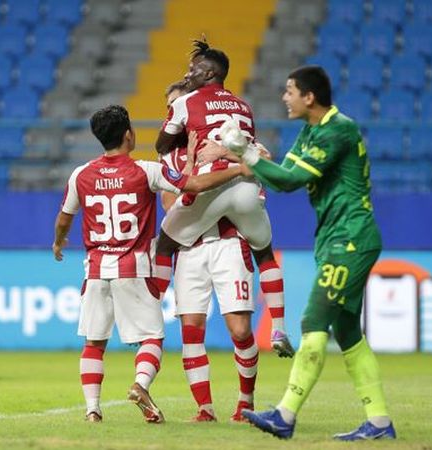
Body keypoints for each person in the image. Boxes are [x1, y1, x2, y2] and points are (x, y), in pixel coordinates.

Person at [223, 66, 396, 440]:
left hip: (350, 238)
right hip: (337, 237)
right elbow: (281, 176)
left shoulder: (338, 129)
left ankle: (285, 415)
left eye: (289, 91)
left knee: (312, 322)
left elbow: (289, 180)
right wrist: (249, 154)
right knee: (348, 332)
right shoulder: (310, 131)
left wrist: (245, 154)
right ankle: (379, 422)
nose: (284, 98)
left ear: (309, 97)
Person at [52, 105, 249, 424]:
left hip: (96, 269)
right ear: (129, 135)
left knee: (94, 342)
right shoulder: (145, 171)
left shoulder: (80, 174)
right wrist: (239, 169)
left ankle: (92, 409)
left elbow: (64, 219)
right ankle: (140, 385)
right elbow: (194, 186)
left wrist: (59, 242)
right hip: (133, 267)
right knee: (152, 338)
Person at [152, 38, 294, 358]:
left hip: (212, 186)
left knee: (164, 242)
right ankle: (280, 327)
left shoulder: (185, 103)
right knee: (265, 251)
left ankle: (150, 319)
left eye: (193, 70)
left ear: (209, 73)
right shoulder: (244, 106)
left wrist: (181, 138)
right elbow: (255, 152)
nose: (188, 74)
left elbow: (162, 145)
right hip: (247, 187)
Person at [159, 82, 258, 423]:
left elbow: (263, 160)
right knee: (191, 328)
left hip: (230, 242)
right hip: (191, 251)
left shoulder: (229, 140)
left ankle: (246, 402)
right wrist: (188, 165)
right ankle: (205, 408)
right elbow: (173, 211)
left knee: (241, 330)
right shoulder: (167, 159)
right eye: (170, 108)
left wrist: (228, 160)